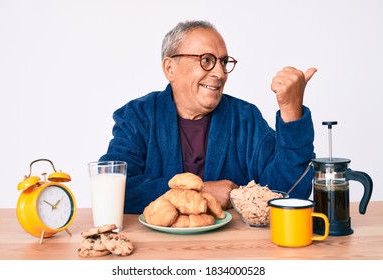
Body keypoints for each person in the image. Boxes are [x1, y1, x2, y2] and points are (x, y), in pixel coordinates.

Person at [99, 20, 317, 214]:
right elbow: (112, 188)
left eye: (223, 62)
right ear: (170, 68)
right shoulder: (138, 116)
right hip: (155, 249)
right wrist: (200, 190)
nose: (220, 73)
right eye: (206, 60)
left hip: (229, 250)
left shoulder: (245, 118)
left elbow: (288, 193)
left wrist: (291, 111)